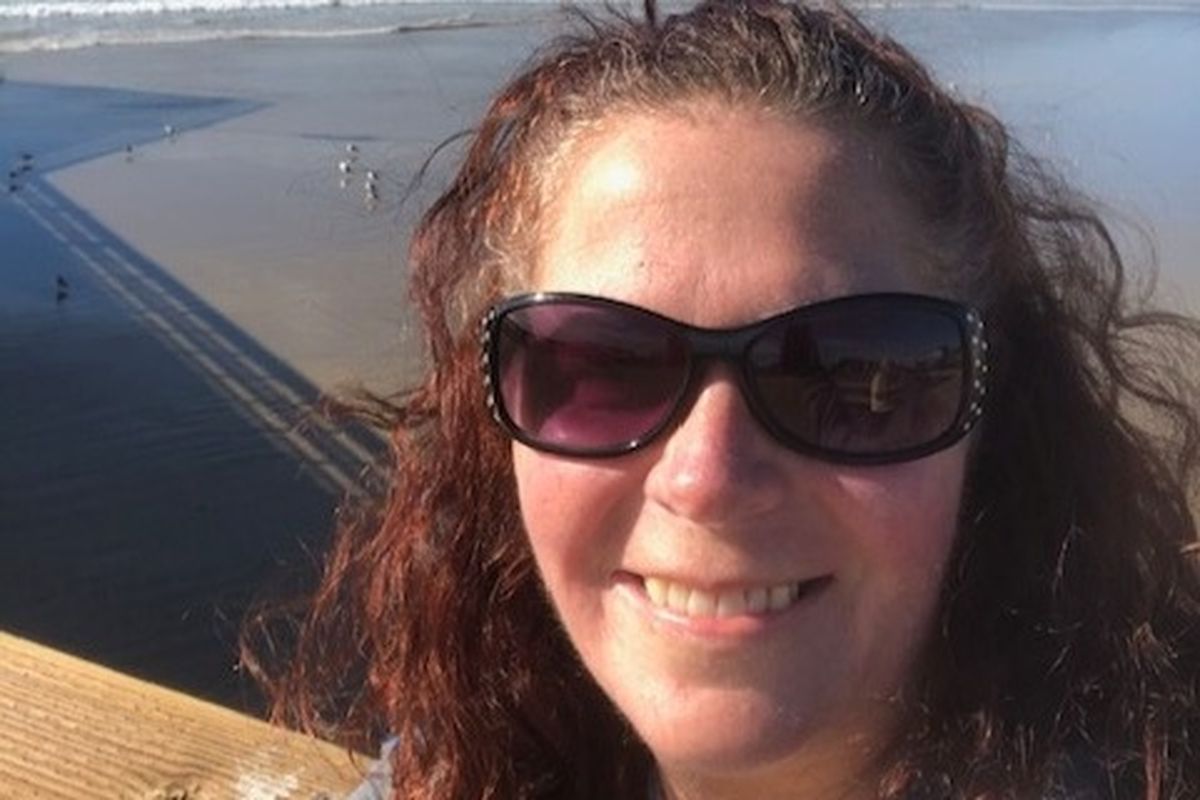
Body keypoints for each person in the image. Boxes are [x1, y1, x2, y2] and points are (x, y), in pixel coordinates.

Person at [241, 1, 1200, 797]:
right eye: (605, 368)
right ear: (500, 428)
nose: (708, 478)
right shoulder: (464, 771)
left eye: (853, 377)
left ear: (990, 421)